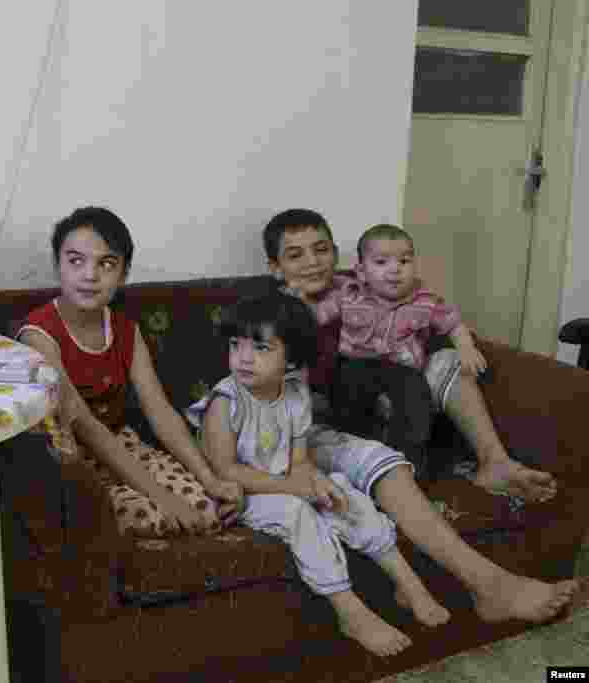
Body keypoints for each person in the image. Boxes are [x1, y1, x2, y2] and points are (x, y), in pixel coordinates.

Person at [261, 207, 577, 624]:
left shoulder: (362, 283)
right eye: (295, 255)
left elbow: (428, 316)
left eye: (321, 249)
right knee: (378, 452)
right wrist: (299, 322)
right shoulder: (270, 312)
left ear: (338, 253)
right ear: (275, 267)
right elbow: (279, 395)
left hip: (388, 405)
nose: (312, 262)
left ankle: (494, 462)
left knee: (446, 360)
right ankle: (492, 586)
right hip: (317, 426)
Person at [187, 292, 449, 656]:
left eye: (261, 348)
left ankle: (407, 583)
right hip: (240, 494)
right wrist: (294, 488)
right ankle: (351, 612)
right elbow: (225, 470)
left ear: (291, 359)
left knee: (341, 489)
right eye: (236, 344)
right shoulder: (225, 401)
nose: (243, 357)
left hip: (283, 480)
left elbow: (299, 461)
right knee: (297, 513)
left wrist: (315, 481)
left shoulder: (295, 394)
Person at [17, 207, 243, 537]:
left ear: (123, 274)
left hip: (123, 444)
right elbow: (84, 423)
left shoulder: (125, 331)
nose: (90, 275)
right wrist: (165, 499)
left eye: (106, 264)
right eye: (76, 261)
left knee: (208, 509)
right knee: (149, 517)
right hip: (73, 457)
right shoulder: (38, 334)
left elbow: (161, 413)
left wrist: (211, 479)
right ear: (58, 266)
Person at [306, 223, 486, 480]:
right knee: (346, 396)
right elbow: (317, 316)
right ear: (362, 271)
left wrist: (466, 347)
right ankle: (361, 455)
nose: (395, 270)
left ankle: (411, 464)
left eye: (404, 261)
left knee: (415, 397)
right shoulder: (349, 293)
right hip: (354, 364)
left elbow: (453, 324)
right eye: (381, 262)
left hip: (401, 369)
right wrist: (297, 304)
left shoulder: (425, 301)